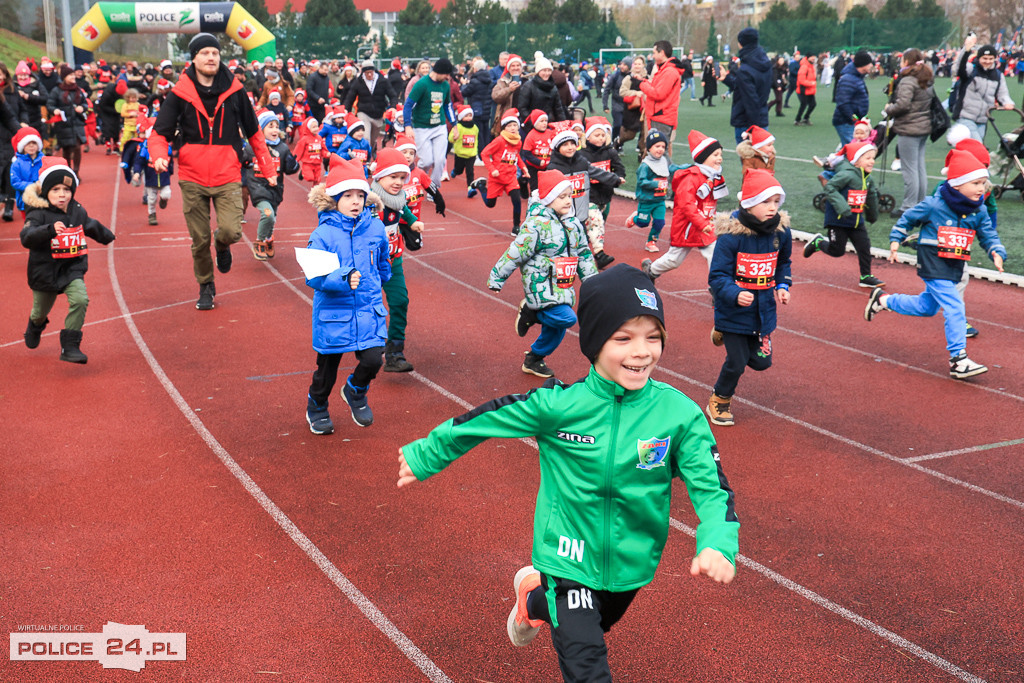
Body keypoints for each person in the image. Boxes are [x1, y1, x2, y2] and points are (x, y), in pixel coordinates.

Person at [398, 262, 739, 682]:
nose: (642, 351)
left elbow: (712, 486)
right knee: (585, 659)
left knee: (597, 621)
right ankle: (547, 595)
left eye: (653, 337)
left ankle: (532, 601)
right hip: (566, 554)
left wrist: (717, 542)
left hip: (632, 560)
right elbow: (485, 419)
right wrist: (427, 454)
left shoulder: (678, 414)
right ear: (594, 342)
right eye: (623, 338)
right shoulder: (560, 406)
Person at [150, 32, 276, 311]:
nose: (211, 57)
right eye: (205, 53)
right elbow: (159, 133)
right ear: (193, 59)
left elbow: (254, 133)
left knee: (231, 230)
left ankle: (222, 246)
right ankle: (206, 285)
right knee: (199, 240)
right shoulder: (179, 93)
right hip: (192, 177)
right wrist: (158, 156)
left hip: (227, 174)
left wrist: (268, 167)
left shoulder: (235, 91)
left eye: (215, 53)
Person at [865, 150, 1005, 379]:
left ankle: (883, 300)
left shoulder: (978, 209)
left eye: (983, 183)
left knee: (927, 307)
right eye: (976, 183)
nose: (982, 188)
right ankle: (958, 360)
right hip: (932, 261)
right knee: (955, 306)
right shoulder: (934, 204)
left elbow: (988, 234)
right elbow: (908, 218)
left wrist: (996, 252)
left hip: (955, 264)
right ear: (957, 184)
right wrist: (896, 239)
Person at [303, 157, 391, 435]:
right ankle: (317, 405)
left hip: (368, 308)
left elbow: (383, 258)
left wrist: (383, 275)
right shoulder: (323, 234)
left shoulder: (375, 227)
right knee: (326, 371)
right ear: (334, 199)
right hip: (334, 313)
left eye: (360, 196)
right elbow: (313, 275)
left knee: (374, 358)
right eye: (348, 196)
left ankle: (355, 390)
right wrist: (343, 277)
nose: (356, 202)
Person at [486, 169, 599, 378]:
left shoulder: (574, 224)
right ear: (548, 199)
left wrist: (593, 282)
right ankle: (532, 312)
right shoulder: (536, 224)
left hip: (563, 284)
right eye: (562, 196)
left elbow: (583, 253)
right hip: (540, 283)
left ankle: (534, 359)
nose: (568, 201)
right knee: (567, 319)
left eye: (569, 196)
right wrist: (497, 277)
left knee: (556, 329)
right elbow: (517, 252)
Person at [707, 170, 792, 426]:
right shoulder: (731, 237)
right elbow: (717, 276)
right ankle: (720, 399)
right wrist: (735, 293)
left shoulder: (781, 233)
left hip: (763, 312)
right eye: (765, 202)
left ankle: (720, 333)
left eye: (776, 202)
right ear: (748, 203)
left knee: (761, 363)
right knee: (737, 362)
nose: (772, 207)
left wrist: (782, 285)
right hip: (733, 311)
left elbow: (783, 262)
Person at [20, 157, 115, 363]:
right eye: (55, 190)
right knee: (40, 311)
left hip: (72, 267)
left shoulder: (77, 210)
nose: (62, 194)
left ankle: (70, 346)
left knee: (81, 300)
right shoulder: (38, 214)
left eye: (66, 190)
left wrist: (106, 235)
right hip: (45, 270)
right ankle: (35, 324)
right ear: (46, 191)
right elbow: (26, 237)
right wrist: (49, 230)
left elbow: (88, 224)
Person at [642, 130, 726, 282]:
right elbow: (687, 204)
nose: (719, 158)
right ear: (703, 157)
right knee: (674, 260)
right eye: (715, 155)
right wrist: (702, 223)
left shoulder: (714, 177)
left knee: (715, 254)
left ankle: (717, 286)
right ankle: (651, 270)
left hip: (705, 225)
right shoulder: (691, 178)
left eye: (720, 154)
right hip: (687, 227)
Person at [367, 147, 424, 373]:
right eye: (393, 177)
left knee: (400, 301)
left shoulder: (398, 198)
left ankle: (395, 352)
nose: (399, 182)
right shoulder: (369, 203)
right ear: (380, 176)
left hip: (393, 260)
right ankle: (369, 346)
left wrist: (412, 222)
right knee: (369, 306)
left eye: (402, 177)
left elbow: (401, 209)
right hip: (370, 264)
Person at [803, 141, 884, 288]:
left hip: (856, 221)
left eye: (873, 158)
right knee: (837, 251)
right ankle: (818, 243)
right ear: (856, 161)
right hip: (838, 220)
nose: (872, 161)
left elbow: (871, 195)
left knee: (864, 247)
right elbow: (830, 187)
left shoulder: (868, 178)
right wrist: (842, 207)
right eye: (868, 158)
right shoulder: (846, 174)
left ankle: (866, 276)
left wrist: (872, 215)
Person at [546, 124, 623, 269]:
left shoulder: (581, 162)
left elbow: (597, 173)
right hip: (563, 213)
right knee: (567, 243)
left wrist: (615, 179)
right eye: (565, 145)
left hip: (582, 208)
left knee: (590, 227)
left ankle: (596, 258)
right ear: (557, 147)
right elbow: (546, 191)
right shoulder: (553, 168)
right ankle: (558, 266)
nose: (570, 147)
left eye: (572, 144)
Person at [882, 49, 935, 218]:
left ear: (906, 62)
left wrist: (889, 108)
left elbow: (903, 105)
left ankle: (909, 206)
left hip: (909, 128)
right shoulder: (926, 79)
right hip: (923, 126)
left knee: (910, 169)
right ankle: (920, 203)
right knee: (919, 167)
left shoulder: (908, 80)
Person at [627, 130, 687, 253]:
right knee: (643, 223)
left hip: (660, 200)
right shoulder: (645, 165)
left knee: (660, 222)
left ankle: (651, 241)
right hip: (646, 200)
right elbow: (641, 182)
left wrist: (688, 167)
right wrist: (655, 184)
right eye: (657, 146)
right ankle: (635, 218)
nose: (660, 149)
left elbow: (673, 168)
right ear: (649, 148)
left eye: (663, 147)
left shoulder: (664, 161)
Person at [249, 112, 299, 260]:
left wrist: (293, 165)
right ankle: (259, 242)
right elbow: (241, 161)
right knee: (268, 215)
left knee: (272, 217)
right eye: (270, 126)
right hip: (258, 187)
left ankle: (268, 238)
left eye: (277, 126)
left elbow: (289, 169)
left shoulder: (282, 148)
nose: (275, 130)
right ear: (261, 129)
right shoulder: (252, 148)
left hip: (275, 189)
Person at [471, 109, 529, 235]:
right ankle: (480, 186)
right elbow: (484, 154)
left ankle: (516, 226)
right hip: (497, 177)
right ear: (504, 128)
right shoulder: (499, 141)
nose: (512, 128)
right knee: (490, 204)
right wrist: (492, 170)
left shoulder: (518, 142)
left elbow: (516, 156)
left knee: (517, 200)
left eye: (515, 125)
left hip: (511, 177)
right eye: (509, 126)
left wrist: (524, 168)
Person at [404, 59, 456, 187]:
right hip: (421, 128)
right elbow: (408, 105)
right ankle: (419, 176)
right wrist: (407, 125)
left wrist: (454, 125)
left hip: (439, 127)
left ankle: (433, 189)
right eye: (446, 74)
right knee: (427, 161)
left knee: (440, 161)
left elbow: (448, 105)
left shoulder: (445, 85)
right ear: (439, 71)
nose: (448, 77)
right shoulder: (422, 84)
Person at [952, 34, 1014, 141]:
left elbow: (1002, 93)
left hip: (983, 118)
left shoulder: (998, 75)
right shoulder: (971, 70)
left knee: (974, 148)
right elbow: (959, 68)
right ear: (979, 58)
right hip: (965, 116)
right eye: (984, 58)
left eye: (991, 59)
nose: (987, 61)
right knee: (977, 144)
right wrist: (966, 50)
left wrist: (1007, 102)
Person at [722, 28, 772, 145]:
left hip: (747, 123)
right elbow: (745, 88)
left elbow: (751, 100)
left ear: (740, 43)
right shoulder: (766, 64)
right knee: (762, 156)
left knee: (748, 157)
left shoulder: (745, 69)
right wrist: (726, 78)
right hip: (762, 119)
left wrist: (752, 129)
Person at [129, 117, 174, 226]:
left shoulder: (166, 146)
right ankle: (152, 214)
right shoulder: (145, 148)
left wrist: (170, 171)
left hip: (164, 177)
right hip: (150, 178)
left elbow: (171, 160)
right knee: (152, 199)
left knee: (167, 194)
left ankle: (163, 200)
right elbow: (139, 161)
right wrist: (137, 172)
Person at [343, 61, 397, 152]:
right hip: (363, 112)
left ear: (374, 71)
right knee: (366, 137)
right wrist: (346, 109)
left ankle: (372, 149)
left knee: (373, 139)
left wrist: (393, 106)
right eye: (367, 73)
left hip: (378, 113)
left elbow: (392, 95)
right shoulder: (358, 82)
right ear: (363, 72)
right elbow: (350, 97)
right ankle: (365, 157)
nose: (369, 74)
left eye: (371, 72)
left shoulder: (382, 81)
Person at [639, 40, 683, 148]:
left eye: (654, 53)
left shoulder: (669, 72)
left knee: (659, 152)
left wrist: (642, 84)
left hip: (662, 117)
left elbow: (658, 94)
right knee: (656, 152)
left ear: (662, 52)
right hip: (659, 116)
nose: (653, 56)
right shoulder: (664, 70)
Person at [46, 65, 89, 175]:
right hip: (63, 124)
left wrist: (82, 107)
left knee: (77, 147)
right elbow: (50, 104)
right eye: (70, 75)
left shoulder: (78, 89)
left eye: (73, 74)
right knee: (66, 149)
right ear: (64, 77)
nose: (73, 77)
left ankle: (76, 172)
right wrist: (54, 110)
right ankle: (68, 171)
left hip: (77, 123)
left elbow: (85, 103)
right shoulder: (56, 90)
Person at [832, 50, 873, 144]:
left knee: (853, 148)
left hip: (852, 122)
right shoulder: (848, 79)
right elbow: (843, 103)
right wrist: (854, 119)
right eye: (869, 63)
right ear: (863, 65)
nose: (871, 65)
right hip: (846, 122)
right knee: (854, 149)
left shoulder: (857, 77)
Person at [518, 53, 567, 125]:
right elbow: (522, 108)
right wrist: (533, 122)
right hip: (531, 125)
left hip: (548, 123)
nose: (547, 73)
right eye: (544, 70)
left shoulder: (553, 87)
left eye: (549, 70)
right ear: (538, 72)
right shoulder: (528, 86)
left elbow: (558, 109)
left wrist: (563, 124)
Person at [459, 58, 493, 153]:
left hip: (477, 109)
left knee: (479, 133)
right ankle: (487, 153)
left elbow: (465, 93)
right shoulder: (489, 80)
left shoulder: (475, 81)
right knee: (486, 131)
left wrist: (464, 84)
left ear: (475, 69)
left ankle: (480, 153)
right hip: (487, 109)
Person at [10, 127, 43, 220]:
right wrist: (33, 186)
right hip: (25, 200)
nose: (31, 146)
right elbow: (15, 182)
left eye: (34, 143)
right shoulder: (17, 163)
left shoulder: (44, 160)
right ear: (22, 146)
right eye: (28, 143)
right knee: (29, 224)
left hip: (42, 198)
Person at [617, 57, 648, 159]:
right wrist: (636, 93)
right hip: (632, 109)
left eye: (640, 64)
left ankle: (642, 153)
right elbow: (622, 92)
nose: (638, 66)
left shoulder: (647, 77)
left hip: (644, 109)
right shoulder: (628, 78)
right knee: (630, 134)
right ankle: (618, 141)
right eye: (636, 64)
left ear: (643, 65)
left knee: (644, 132)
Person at [491, 54, 525, 138]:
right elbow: (495, 96)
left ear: (521, 68)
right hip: (508, 119)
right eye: (513, 66)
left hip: (524, 120)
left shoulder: (527, 81)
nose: (515, 68)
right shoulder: (503, 81)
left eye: (518, 65)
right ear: (509, 68)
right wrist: (509, 89)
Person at [447, 105, 479, 194]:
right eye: (466, 116)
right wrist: (454, 137)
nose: (468, 118)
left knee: (470, 172)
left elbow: (476, 139)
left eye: (470, 116)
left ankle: (471, 188)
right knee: (459, 170)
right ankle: (455, 171)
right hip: (460, 154)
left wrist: (475, 151)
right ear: (461, 117)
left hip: (471, 154)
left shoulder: (475, 127)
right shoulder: (458, 127)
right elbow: (450, 138)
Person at [602, 58, 630, 141]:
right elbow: (607, 90)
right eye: (621, 64)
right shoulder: (615, 76)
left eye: (625, 65)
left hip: (629, 106)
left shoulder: (632, 77)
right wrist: (605, 105)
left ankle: (620, 143)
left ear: (629, 66)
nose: (622, 66)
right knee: (618, 124)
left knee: (628, 127)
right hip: (616, 105)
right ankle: (614, 142)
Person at [794, 54, 817, 125]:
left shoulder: (811, 66)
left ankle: (805, 118)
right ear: (808, 58)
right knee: (803, 104)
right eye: (812, 57)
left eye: (814, 57)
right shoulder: (804, 66)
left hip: (810, 89)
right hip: (803, 89)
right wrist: (811, 83)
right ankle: (797, 120)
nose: (813, 58)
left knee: (813, 104)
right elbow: (801, 80)